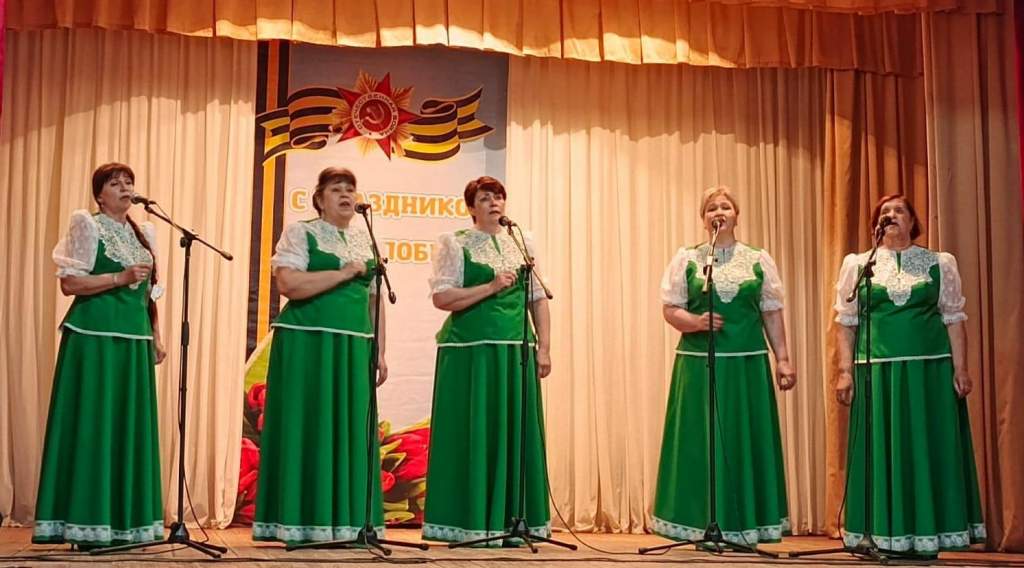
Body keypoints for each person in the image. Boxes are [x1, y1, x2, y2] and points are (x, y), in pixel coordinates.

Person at [834, 194, 985, 555]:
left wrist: (961, 368)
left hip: (928, 372)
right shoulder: (858, 265)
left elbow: (953, 318)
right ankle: (880, 533)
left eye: (899, 210)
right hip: (876, 372)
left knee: (924, 446)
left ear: (913, 221)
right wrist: (844, 371)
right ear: (876, 224)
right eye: (884, 212)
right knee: (881, 450)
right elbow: (846, 321)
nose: (891, 215)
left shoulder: (939, 263)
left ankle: (928, 533)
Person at [653, 186, 796, 546]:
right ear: (704, 219)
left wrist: (783, 359)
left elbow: (771, 312)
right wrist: (695, 322)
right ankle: (697, 521)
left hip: (746, 366)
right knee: (701, 442)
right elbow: (670, 309)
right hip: (699, 366)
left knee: (742, 440)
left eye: (726, 207)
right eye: (712, 208)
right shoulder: (688, 258)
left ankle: (745, 522)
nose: (719, 212)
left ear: (736, 215)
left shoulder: (758, 259)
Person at [34, 163, 166, 547]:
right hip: (93, 339)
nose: (125, 187)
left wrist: (156, 335)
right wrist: (117, 278)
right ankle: (85, 522)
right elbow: (70, 283)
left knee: (127, 427)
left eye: (129, 182)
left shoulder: (145, 233)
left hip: (134, 340)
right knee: (94, 424)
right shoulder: (87, 225)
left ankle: (126, 524)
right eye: (115, 182)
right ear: (100, 195)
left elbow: (149, 294)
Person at [253, 167, 387, 544]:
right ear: (319, 199)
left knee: (350, 429)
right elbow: (289, 284)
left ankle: (348, 522)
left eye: (350, 189)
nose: (346, 195)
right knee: (308, 424)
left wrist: (379, 350)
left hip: (353, 345)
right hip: (308, 342)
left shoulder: (367, 240)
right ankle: (301, 521)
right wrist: (343, 274)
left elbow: (375, 301)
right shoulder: (302, 232)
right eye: (336, 189)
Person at [422, 176, 552, 545]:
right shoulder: (456, 243)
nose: (494, 202)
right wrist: (490, 287)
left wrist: (544, 347)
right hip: (471, 351)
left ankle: (512, 520)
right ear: (471, 207)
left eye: (498, 196)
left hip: (515, 351)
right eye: (484, 198)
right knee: (475, 432)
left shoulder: (521, 242)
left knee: (513, 433)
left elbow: (537, 298)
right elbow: (442, 298)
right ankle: (472, 520)